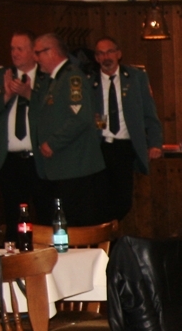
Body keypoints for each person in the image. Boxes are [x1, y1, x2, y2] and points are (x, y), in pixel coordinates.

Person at [30, 32, 106, 227]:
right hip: (62, 168)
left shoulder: (72, 78)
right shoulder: (54, 80)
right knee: (63, 224)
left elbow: (81, 118)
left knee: (77, 225)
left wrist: (52, 143)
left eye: (38, 53)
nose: (35, 59)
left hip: (75, 167)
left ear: (52, 52)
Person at [0, 31, 42, 236]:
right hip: (8, 160)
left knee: (45, 214)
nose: (15, 53)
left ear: (34, 52)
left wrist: (28, 94)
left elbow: (55, 111)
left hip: (40, 159)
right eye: (12, 48)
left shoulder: (47, 77)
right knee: (13, 218)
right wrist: (6, 96)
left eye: (20, 49)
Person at [91, 36, 164, 224]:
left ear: (118, 54)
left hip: (124, 147)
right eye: (101, 53)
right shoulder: (89, 81)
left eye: (109, 52)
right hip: (99, 148)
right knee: (99, 199)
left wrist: (155, 143)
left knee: (123, 201)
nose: (106, 57)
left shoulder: (136, 77)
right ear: (96, 58)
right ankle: (106, 237)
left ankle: (110, 232)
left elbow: (149, 113)